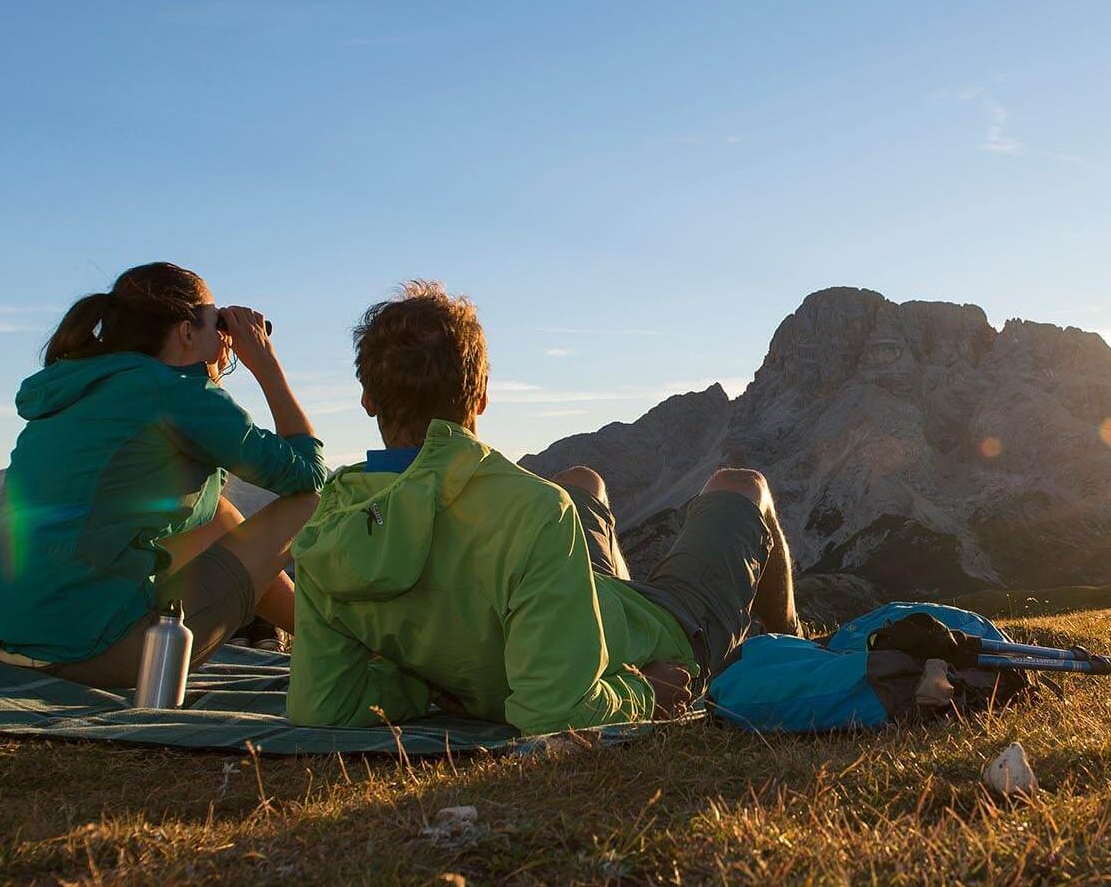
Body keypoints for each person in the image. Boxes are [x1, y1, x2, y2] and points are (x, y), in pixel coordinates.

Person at [286, 281, 801, 735]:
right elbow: (555, 713)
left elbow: (325, 706)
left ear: (368, 401)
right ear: (481, 396)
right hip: (663, 637)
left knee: (584, 481)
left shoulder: (329, 528)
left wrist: (434, 690)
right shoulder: (533, 509)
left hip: (564, 614)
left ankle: (613, 604)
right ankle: (793, 641)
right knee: (742, 484)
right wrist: (647, 694)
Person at [0, 262, 326, 687]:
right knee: (307, 504)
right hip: (94, 652)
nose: (225, 331)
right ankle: (338, 639)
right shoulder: (173, 391)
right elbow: (307, 475)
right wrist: (265, 364)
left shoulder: (84, 383)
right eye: (216, 318)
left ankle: (323, 638)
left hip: (9, 643)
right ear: (186, 332)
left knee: (218, 515)